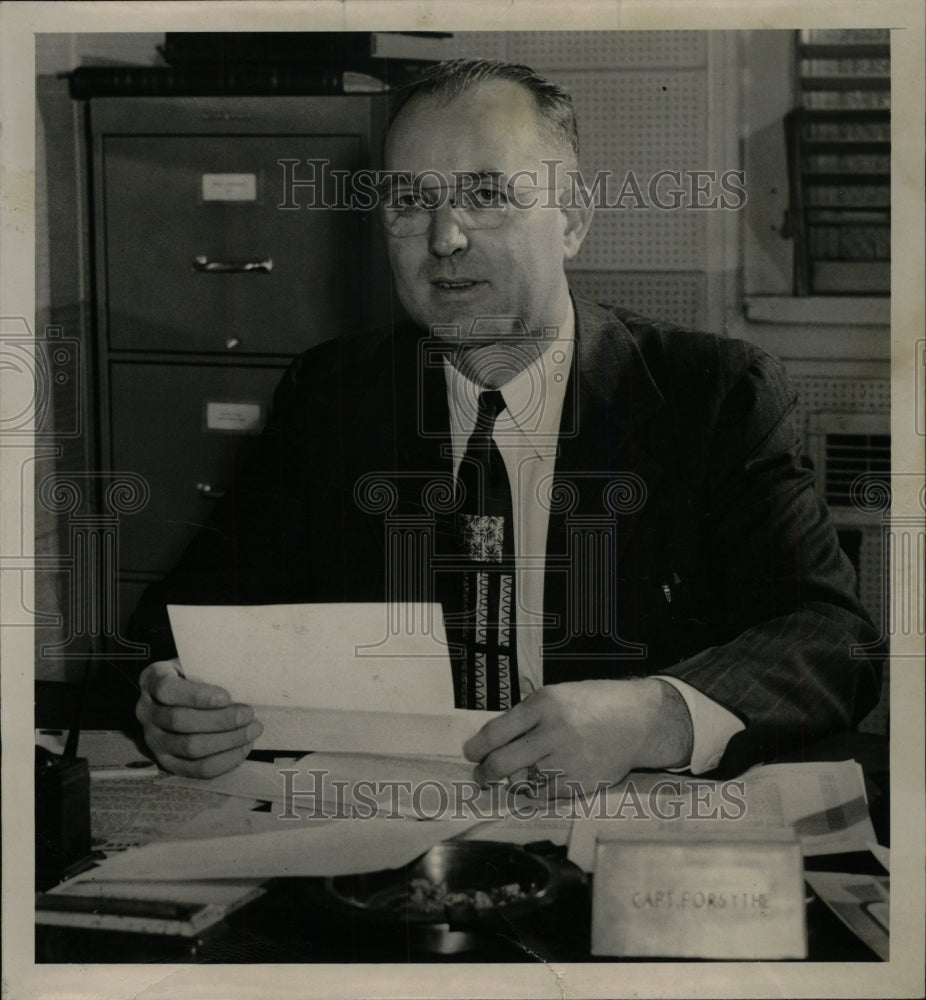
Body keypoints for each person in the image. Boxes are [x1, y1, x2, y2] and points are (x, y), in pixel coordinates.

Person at [130, 59, 881, 792]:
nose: (445, 237)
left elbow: (834, 639)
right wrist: (168, 698)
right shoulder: (333, 396)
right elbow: (174, 621)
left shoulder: (712, 396)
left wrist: (659, 715)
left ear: (574, 220)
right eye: (409, 201)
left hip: (615, 833)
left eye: (487, 194)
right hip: (385, 828)